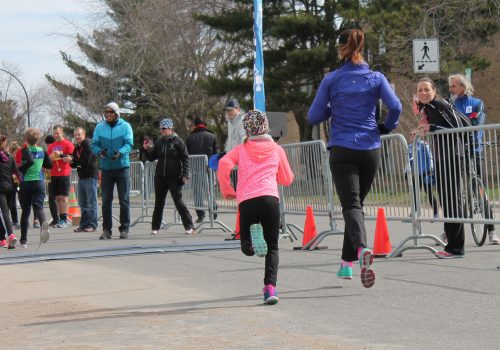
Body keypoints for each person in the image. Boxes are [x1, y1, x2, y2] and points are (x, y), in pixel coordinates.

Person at [308, 29, 402, 287]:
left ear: (341, 49)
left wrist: (332, 107)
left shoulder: (332, 79)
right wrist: (387, 127)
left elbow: (313, 117)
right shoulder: (376, 78)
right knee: (356, 205)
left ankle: (361, 250)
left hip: (343, 148)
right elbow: (396, 107)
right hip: (370, 148)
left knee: (351, 206)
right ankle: (346, 265)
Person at [217, 110, 294, 304]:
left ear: (247, 129)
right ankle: (270, 288)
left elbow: (224, 163)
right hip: (269, 199)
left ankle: (251, 244)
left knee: (245, 245)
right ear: (266, 126)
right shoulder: (276, 149)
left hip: (247, 200)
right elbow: (287, 179)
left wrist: (227, 189)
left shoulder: (241, 149)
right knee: (273, 247)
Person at [415, 77, 470, 258]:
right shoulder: (428, 108)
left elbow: (457, 127)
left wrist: (431, 127)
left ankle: (456, 248)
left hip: (453, 156)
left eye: (426, 90)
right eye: (420, 90)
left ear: (434, 92)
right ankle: (451, 245)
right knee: (446, 199)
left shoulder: (440, 104)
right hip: (441, 157)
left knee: (452, 199)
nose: (423, 93)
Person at [449, 74, 500, 244]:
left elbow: (475, 122)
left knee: (480, 191)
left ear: (463, 87)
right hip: (457, 152)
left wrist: (462, 125)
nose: (451, 89)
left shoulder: (477, 103)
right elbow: (450, 124)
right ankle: (450, 231)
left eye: (453, 86)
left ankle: (492, 231)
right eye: (450, 86)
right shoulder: (451, 105)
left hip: (474, 150)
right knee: (455, 192)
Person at [144, 118, 194, 235]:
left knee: (178, 201)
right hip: (160, 176)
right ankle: (155, 227)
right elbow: (152, 157)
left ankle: (189, 226)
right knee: (159, 202)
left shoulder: (178, 141)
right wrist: (146, 149)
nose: (162, 131)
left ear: (170, 129)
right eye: (161, 129)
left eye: (164, 129)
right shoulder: (159, 142)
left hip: (175, 176)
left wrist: (185, 174)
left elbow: (185, 158)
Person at [91, 102, 134, 240]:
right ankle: (106, 230)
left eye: (111, 113)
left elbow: (129, 144)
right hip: (107, 168)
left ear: (117, 114)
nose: (108, 115)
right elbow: (94, 144)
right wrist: (99, 152)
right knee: (106, 201)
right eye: (106, 113)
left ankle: (124, 229)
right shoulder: (99, 127)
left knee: (124, 200)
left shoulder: (125, 126)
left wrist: (120, 153)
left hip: (122, 168)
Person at [18, 128, 52, 248]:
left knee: (25, 211)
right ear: (38, 139)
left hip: (26, 182)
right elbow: (49, 165)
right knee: (38, 207)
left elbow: (20, 164)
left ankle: (23, 240)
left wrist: (19, 169)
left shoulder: (23, 151)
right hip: (39, 182)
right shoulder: (42, 151)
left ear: (26, 139)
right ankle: (43, 224)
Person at [186, 116, 218, 223]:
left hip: (195, 169)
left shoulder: (190, 138)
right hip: (209, 168)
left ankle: (200, 215)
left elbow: (186, 155)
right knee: (210, 191)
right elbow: (215, 154)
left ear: (195, 125)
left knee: (198, 192)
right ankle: (213, 209)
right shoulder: (212, 136)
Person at [69, 128, 99, 232]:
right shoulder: (77, 147)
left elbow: (85, 161)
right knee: (82, 203)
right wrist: (69, 160)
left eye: (79, 135)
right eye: (75, 135)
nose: (77, 137)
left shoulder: (89, 145)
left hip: (90, 176)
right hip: (81, 177)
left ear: (84, 134)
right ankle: (83, 224)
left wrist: (73, 160)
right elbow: (74, 164)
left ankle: (92, 224)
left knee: (91, 203)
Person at [406, 132, 439, 218]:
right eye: (410, 135)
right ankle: (415, 211)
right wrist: (406, 171)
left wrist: (431, 169)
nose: (411, 136)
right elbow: (408, 161)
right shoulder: (409, 147)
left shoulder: (424, 145)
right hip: (416, 174)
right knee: (414, 193)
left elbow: (430, 156)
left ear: (417, 136)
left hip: (426, 173)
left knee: (429, 193)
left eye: (412, 134)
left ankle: (436, 213)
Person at [48, 125, 75, 228]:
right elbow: (48, 161)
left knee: (64, 197)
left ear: (62, 132)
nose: (56, 135)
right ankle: (60, 218)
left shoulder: (68, 144)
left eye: (57, 133)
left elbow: (71, 158)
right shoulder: (51, 146)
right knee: (58, 198)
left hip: (64, 173)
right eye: (54, 133)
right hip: (54, 174)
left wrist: (62, 156)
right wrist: (50, 157)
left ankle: (65, 219)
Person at [0, 136, 20, 249]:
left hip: (1, 188)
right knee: (5, 212)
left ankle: (10, 235)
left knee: (4, 213)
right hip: (10, 187)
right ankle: (2, 239)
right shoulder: (9, 157)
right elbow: (17, 173)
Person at [44, 135, 59, 227]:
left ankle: (59, 218)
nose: (47, 147)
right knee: (53, 198)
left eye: (48, 145)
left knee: (56, 198)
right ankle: (56, 218)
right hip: (50, 177)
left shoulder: (54, 151)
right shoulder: (48, 151)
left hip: (56, 176)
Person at [8, 141, 20, 229]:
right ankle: (14, 221)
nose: (15, 154)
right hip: (12, 183)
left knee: (22, 202)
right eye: (14, 152)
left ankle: (16, 221)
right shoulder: (9, 158)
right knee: (12, 203)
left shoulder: (20, 157)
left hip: (18, 182)